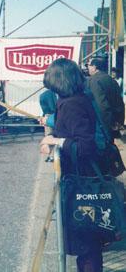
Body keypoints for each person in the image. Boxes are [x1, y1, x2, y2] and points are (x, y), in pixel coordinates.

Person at [39, 58, 102, 272]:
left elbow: (85, 145)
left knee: (85, 241)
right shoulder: (75, 99)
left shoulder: (72, 103)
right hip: (79, 176)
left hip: (81, 178)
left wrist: (55, 141)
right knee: (86, 241)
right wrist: (53, 138)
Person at [87, 57, 124, 138]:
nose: (87, 67)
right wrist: (119, 122)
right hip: (114, 122)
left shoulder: (93, 80)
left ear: (94, 67)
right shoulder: (111, 80)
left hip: (102, 125)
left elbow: (101, 105)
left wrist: (106, 125)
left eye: (89, 65)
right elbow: (120, 102)